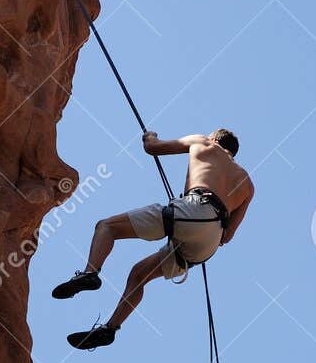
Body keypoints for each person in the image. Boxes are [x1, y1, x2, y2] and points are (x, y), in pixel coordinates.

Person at [53, 129, 254, 350]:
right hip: (209, 243)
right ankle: (110, 329)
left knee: (106, 227)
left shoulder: (204, 142)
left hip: (194, 210)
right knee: (139, 274)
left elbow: (153, 148)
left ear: (214, 138)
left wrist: (150, 136)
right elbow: (227, 237)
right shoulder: (247, 184)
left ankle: (90, 273)